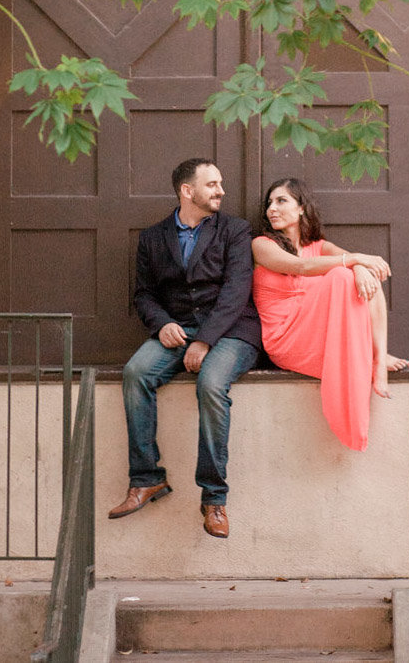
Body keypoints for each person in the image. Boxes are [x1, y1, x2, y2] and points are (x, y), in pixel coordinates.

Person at [108, 157, 261, 539]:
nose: (221, 191)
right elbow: (143, 294)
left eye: (221, 183)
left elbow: (236, 292)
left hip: (232, 331)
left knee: (210, 383)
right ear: (187, 191)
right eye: (212, 184)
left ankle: (214, 498)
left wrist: (205, 339)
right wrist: (163, 324)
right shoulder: (152, 237)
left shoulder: (235, 230)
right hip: (176, 330)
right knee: (135, 373)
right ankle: (146, 478)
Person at [251, 177, 408, 452]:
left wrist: (359, 267)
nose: (271, 209)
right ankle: (372, 358)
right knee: (340, 274)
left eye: (281, 201)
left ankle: (378, 357)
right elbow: (300, 266)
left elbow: (352, 262)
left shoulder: (319, 245)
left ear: (301, 208)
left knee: (361, 276)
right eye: (269, 203)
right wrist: (353, 262)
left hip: (318, 335)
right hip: (284, 338)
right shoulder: (262, 245)